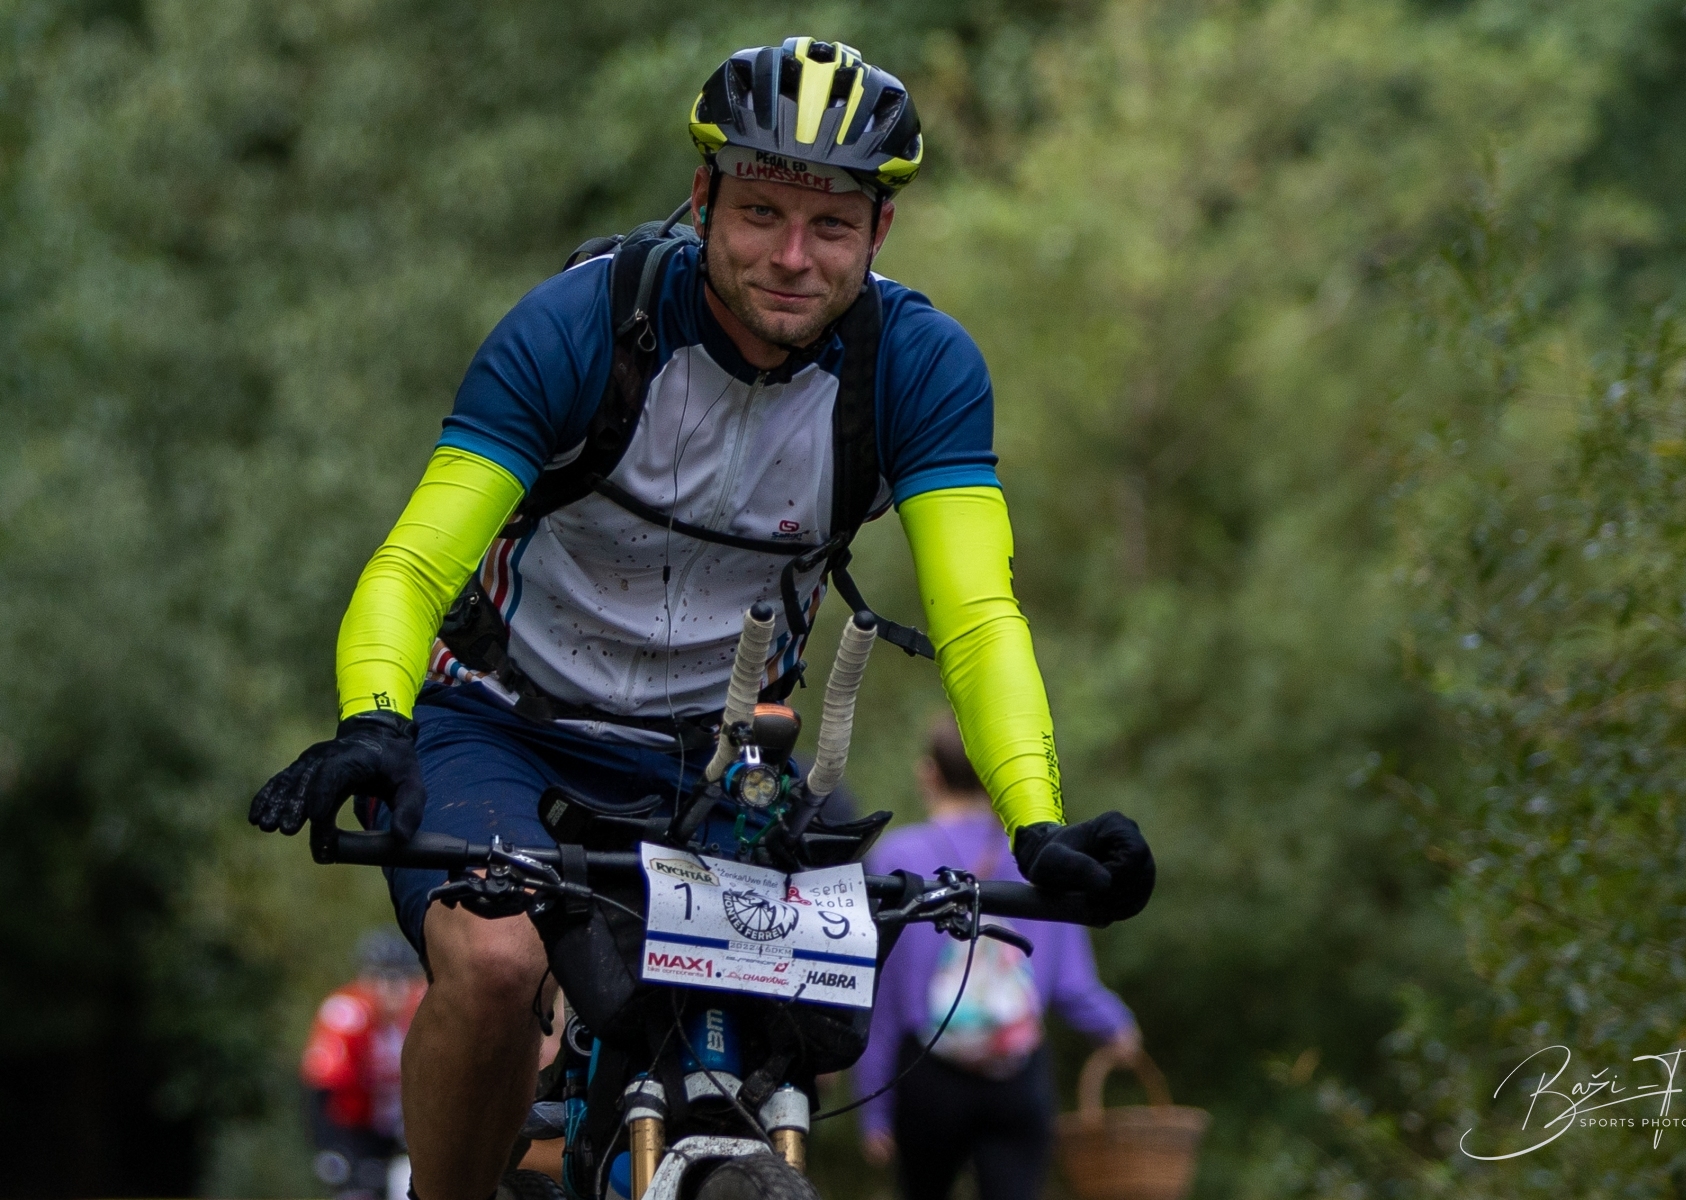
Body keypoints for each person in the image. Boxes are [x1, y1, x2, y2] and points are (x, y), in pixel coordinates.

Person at [249, 37, 1154, 1200]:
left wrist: (1036, 824)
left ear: (880, 232)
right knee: (493, 962)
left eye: (831, 225)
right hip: (505, 722)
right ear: (703, 199)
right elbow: (412, 564)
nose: (793, 256)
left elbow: (979, 617)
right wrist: (375, 719)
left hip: (720, 758)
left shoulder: (918, 369)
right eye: (762, 212)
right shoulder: (581, 327)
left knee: (794, 1019)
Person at [856, 717, 1141, 1200]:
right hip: (1017, 1072)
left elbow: (879, 995)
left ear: (929, 775)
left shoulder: (894, 858)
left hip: (926, 1074)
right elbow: (1073, 985)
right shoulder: (1042, 862)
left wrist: (874, 1106)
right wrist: (1117, 1027)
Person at [303, 931, 428, 1200]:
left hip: (406, 1128)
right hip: (354, 1130)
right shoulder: (347, 1013)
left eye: (402, 978)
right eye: (383, 978)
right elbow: (322, 1087)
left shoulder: (424, 1011)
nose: (393, 988)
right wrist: (330, 1149)